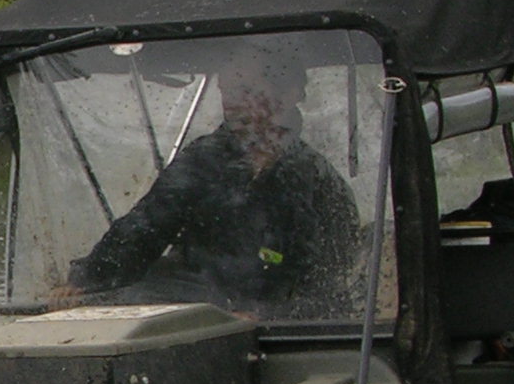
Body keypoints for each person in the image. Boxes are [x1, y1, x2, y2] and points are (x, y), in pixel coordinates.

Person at [64, 47, 364, 313]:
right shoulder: (203, 160)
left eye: (246, 90)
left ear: (288, 95)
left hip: (276, 343)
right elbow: (146, 225)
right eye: (226, 90)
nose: (232, 102)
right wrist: (87, 279)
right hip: (191, 320)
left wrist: (269, 318)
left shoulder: (318, 184)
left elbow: (329, 288)